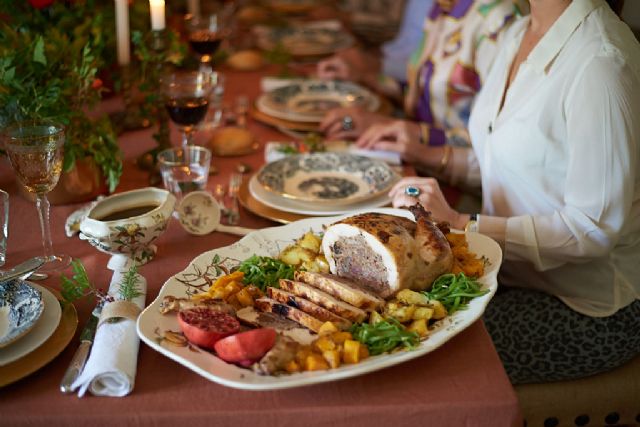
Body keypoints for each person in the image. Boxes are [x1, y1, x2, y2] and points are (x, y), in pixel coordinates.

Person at [387, 0, 640, 384]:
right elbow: (509, 159)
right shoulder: (521, 33)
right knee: (379, 305)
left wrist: (462, 223)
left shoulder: (600, 64)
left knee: (407, 358)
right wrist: (427, 158)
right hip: (505, 274)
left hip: (585, 307)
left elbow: (592, 229)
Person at [318, 0, 526, 145]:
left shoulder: (501, 17)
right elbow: (429, 99)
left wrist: (392, 126)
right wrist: (368, 78)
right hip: (418, 156)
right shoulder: (444, 6)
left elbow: (490, 143)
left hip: (459, 192)